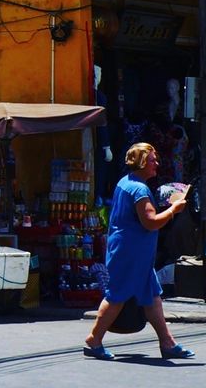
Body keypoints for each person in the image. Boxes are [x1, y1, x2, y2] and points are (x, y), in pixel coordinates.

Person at [83, 142, 195, 361]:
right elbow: (150, 222)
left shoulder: (126, 182)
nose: (157, 164)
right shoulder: (139, 190)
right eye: (152, 160)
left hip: (133, 252)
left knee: (152, 296)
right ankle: (94, 339)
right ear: (142, 162)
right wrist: (173, 209)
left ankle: (167, 342)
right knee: (117, 295)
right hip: (130, 253)